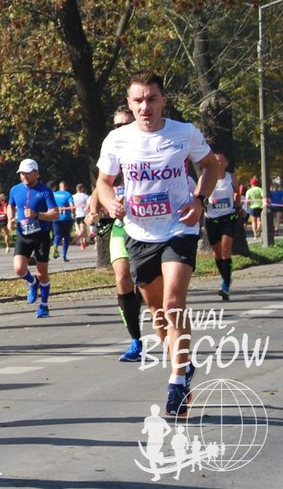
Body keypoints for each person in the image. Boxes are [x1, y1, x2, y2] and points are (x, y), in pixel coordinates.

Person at [96, 70, 218, 417]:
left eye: (151, 99)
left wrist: (199, 200)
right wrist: (110, 203)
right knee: (158, 314)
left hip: (179, 228)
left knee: (174, 301)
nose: (145, 107)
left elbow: (210, 167)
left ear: (163, 100)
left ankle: (177, 382)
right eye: (138, 100)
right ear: (130, 103)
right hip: (139, 233)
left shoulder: (184, 132)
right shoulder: (117, 140)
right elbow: (103, 182)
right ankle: (183, 363)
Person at [86, 106, 146, 363]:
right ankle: (136, 340)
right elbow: (98, 189)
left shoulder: (147, 150)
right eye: (116, 125)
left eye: (125, 124)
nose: (120, 129)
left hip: (150, 228)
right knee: (122, 279)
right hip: (121, 229)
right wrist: (92, 213)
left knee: (145, 283)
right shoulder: (111, 154)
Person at [7, 159, 59, 318]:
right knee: (19, 268)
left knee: (42, 273)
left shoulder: (45, 191)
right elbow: (10, 206)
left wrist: (37, 215)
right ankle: (32, 282)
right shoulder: (15, 189)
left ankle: (44, 306)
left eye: (28, 173)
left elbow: (55, 214)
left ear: (37, 173)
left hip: (41, 236)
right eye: (22, 173)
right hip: (23, 235)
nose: (24, 176)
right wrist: (10, 219)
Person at [205, 152, 240, 300]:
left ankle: (225, 284)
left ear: (225, 163)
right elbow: (198, 195)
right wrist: (204, 201)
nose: (217, 163)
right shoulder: (206, 178)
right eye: (215, 161)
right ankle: (226, 277)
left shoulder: (231, 178)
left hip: (228, 218)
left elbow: (237, 193)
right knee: (217, 253)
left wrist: (237, 207)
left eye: (220, 161)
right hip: (212, 219)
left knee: (226, 250)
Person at [51, 181, 75, 261]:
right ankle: (64, 255)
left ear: (59, 186)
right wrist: (74, 213)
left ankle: (55, 246)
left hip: (55, 218)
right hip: (66, 219)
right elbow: (72, 206)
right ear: (66, 187)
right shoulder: (68, 195)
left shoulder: (54, 194)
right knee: (66, 237)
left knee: (58, 235)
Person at [72, 183, 90, 250]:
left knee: (81, 229)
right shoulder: (85, 196)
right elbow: (88, 204)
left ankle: (83, 242)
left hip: (77, 215)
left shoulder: (73, 196)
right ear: (82, 188)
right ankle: (75, 238)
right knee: (82, 229)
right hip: (83, 214)